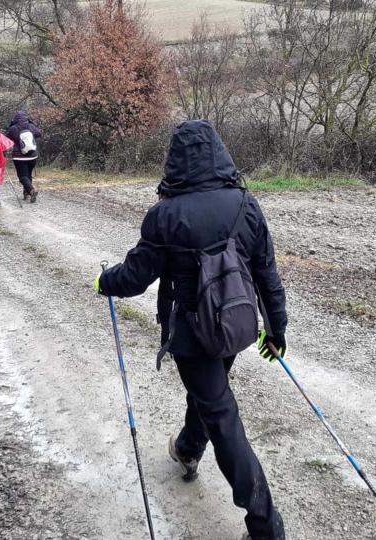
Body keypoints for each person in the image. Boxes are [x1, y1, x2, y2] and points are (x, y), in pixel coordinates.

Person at [95, 120, 288, 540]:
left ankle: (266, 527)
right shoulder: (245, 204)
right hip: (236, 324)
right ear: (220, 152)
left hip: (189, 335)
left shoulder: (165, 215)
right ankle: (187, 449)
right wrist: (276, 330)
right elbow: (266, 273)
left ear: (176, 161)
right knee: (210, 394)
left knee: (222, 415)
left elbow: (134, 276)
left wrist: (102, 281)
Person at [5, 111, 42, 203]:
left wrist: (11, 125)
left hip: (19, 156)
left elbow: (6, 137)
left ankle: (31, 190)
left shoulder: (13, 128)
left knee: (22, 176)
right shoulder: (31, 126)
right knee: (28, 174)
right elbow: (39, 133)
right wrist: (32, 123)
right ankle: (26, 193)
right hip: (32, 155)